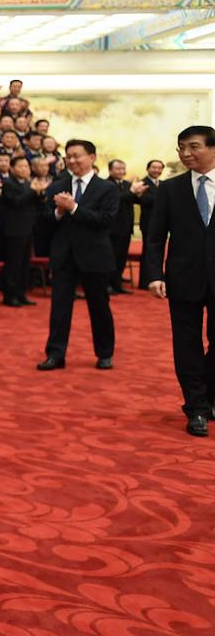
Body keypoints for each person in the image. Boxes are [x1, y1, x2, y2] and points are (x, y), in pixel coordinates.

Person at [145, 126, 215, 436]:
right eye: (181, 148)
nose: (185, 153)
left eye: (193, 147)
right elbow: (155, 237)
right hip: (183, 278)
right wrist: (154, 275)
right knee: (186, 344)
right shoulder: (170, 189)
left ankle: (210, 395)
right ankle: (196, 407)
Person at [37, 139, 117, 371]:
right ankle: (55, 354)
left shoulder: (107, 188)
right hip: (64, 256)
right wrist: (58, 212)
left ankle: (105, 353)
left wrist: (73, 208)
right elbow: (43, 221)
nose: (72, 160)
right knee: (59, 308)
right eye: (68, 156)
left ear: (92, 157)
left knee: (99, 307)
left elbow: (105, 221)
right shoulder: (57, 185)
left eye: (77, 156)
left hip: (95, 256)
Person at [0, 156, 41, 307]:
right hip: (13, 229)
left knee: (25, 264)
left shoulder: (28, 184)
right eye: (21, 166)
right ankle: (10, 295)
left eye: (26, 167)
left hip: (28, 228)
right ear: (12, 169)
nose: (25, 169)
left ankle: (21, 293)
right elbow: (15, 202)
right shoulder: (8, 184)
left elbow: (33, 204)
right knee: (13, 264)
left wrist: (39, 194)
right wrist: (33, 191)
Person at [106, 158, 136, 294]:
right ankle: (107, 285)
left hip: (125, 227)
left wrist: (137, 192)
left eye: (123, 169)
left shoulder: (127, 184)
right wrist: (132, 192)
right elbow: (117, 199)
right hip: (111, 228)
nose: (121, 172)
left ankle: (117, 284)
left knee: (121, 258)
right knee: (110, 258)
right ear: (110, 170)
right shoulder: (106, 184)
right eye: (118, 169)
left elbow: (133, 199)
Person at [135, 158, 164, 287]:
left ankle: (158, 277)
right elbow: (145, 200)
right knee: (148, 251)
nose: (156, 170)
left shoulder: (163, 184)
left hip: (162, 223)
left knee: (160, 250)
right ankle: (145, 281)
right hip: (148, 222)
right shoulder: (142, 184)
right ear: (148, 169)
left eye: (159, 168)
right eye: (154, 167)